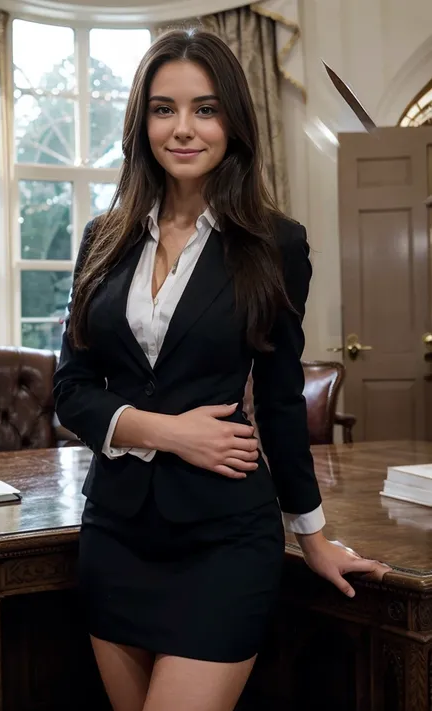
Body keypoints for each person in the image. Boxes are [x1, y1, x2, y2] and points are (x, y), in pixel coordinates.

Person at [53, 28, 388, 711]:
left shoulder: (275, 243)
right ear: (141, 120)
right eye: (163, 108)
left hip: (224, 541)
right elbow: (72, 389)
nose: (183, 128)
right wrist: (165, 431)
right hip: (116, 535)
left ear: (233, 119)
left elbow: (282, 401)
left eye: (205, 109)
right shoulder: (102, 238)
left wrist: (313, 537)